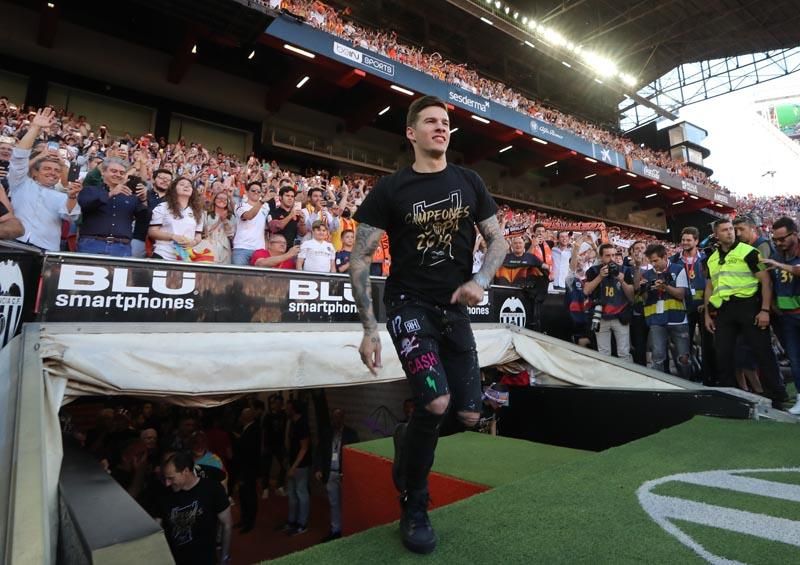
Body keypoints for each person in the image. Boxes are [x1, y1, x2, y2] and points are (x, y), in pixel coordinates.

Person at [349, 96, 507, 554]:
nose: (442, 129)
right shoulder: (389, 190)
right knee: (436, 402)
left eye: (446, 123)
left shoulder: (469, 181)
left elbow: (497, 238)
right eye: (432, 122)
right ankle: (413, 504)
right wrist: (369, 328)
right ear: (411, 133)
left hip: (454, 307)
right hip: (408, 304)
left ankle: (407, 436)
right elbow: (359, 258)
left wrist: (481, 279)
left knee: (470, 414)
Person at [703, 219, 787, 408]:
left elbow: (766, 282)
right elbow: (709, 287)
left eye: (731, 229)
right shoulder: (712, 259)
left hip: (749, 306)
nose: (730, 233)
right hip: (724, 310)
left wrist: (765, 310)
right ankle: (728, 395)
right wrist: (708, 314)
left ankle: (777, 394)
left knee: (762, 350)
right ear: (716, 235)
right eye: (724, 230)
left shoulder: (749, 252)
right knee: (723, 353)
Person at [7, 107, 81, 250]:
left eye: (56, 170)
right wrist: (35, 128)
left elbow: (70, 216)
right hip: (13, 243)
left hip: (45, 250)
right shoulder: (21, 184)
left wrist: (72, 197)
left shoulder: (62, 196)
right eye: (47, 168)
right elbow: (19, 158)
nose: (52, 173)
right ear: (34, 172)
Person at [159, 451, 232, 565]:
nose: (167, 483)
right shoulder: (165, 493)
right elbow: (158, 524)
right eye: (166, 478)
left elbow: (227, 524)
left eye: (171, 478)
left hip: (204, 560)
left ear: (186, 471)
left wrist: (224, 557)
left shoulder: (213, 489)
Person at [634, 244, 691, 379]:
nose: (654, 264)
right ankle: (659, 386)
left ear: (665, 257)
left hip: (677, 319)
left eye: (656, 260)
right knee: (657, 356)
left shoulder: (678, 270)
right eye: (651, 261)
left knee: (683, 357)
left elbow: (681, 294)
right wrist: (644, 289)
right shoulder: (647, 275)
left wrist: (665, 287)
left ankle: (688, 384)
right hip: (656, 320)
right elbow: (642, 298)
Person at [763, 217, 800, 414]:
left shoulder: (778, 260)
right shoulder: (777, 255)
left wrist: (779, 266)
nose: (778, 243)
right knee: (795, 360)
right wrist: (774, 306)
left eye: (782, 238)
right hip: (787, 317)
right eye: (775, 239)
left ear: (794, 234)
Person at [76, 158, 149, 257]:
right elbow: (85, 204)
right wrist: (111, 193)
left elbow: (144, 219)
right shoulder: (90, 190)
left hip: (121, 246)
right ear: (103, 172)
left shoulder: (130, 195)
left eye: (122, 173)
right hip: (91, 244)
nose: (118, 175)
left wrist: (144, 199)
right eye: (114, 171)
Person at [670, 227, 713, 383]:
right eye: (683, 240)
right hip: (684, 306)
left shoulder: (706, 258)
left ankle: (709, 375)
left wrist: (707, 303)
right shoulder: (674, 260)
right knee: (685, 343)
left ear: (696, 241)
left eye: (689, 240)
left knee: (708, 342)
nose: (685, 243)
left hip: (703, 306)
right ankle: (690, 375)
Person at [583, 243, 635, 362]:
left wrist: (622, 281)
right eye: (607, 255)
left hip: (620, 316)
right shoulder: (593, 270)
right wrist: (600, 277)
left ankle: (628, 378)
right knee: (603, 354)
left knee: (624, 352)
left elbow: (632, 297)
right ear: (601, 257)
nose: (611, 258)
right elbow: (586, 290)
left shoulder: (624, 270)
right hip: (601, 316)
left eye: (613, 255)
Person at [314, 408, 360, 542]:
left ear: (343, 418)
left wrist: (350, 473)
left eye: (339, 417)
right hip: (330, 473)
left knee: (347, 503)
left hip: (344, 475)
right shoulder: (327, 433)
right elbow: (319, 451)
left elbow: (355, 455)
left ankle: (348, 530)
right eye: (334, 417)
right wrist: (318, 469)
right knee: (333, 503)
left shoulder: (351, 434)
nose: (336, 420)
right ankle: (336, 530)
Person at [493, 236, 545, 330]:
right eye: (515, 243)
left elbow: (544, 268)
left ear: (524, 245)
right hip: (505, 295)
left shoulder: (531, 257)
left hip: (525, 296)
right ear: (512, 245)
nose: (518, 245)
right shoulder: (505, 257)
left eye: (520, 243)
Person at [147, 177, 203, 260]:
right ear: (174, 189)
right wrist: (173, 236)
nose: (186, 187)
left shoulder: (198, 211)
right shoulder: (162, 207)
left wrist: (193, 242)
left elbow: (198, 236)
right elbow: (152, 232)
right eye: (182, 184)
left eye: (189, 185)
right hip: (163, 254)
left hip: (185, 257)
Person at [283, 398, 311, 536]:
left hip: (301, 465)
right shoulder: (292, 423)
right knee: (292, 493)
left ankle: (302, 523)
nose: (285, 409)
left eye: (288, 407)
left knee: (301, 492)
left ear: (293, 408)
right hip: (293, 463)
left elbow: (304, 448)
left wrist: (294, 466)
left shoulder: (302, 424)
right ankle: (291, 520)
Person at [233, 407, 260, 533]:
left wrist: (238, 441)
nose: (240, 417)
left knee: (249, 495)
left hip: (248, 468)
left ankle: (249, 522)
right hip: (244, 467)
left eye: (243, 415)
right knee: (243, 494)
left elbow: (249, 450)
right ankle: (244, 519)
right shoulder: (247, 428)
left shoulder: (254, 429)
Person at [232, 182, 270, 266]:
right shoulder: (240, 205)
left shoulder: (266, 207)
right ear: (247, 192)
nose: (256, 192)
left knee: (258, 279)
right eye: (253, 190)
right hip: (241, 248)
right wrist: (261, 202)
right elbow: (249, 216)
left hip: (259, 250)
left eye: (258, 191)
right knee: (239, 277)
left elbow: (267, 229)